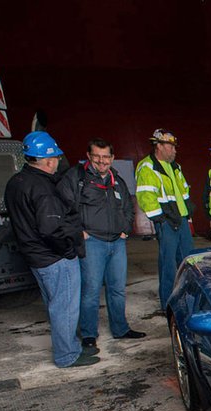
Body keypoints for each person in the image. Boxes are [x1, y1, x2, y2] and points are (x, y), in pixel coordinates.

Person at [4, 132, 98, 368]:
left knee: (56, 306)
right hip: (54, 258)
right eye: (55, 157)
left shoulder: (16, 182)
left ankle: (70, 348)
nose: (57, 161)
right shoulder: (43, 187)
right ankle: (67, 356)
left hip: (35, 257)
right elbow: (50, 229)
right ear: (47, 160)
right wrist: (68, 249)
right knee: (64, 308)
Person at [58, 137, 145, 351]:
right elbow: (63, 207)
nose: (101, 161)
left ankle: (121, 329)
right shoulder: (76, 177)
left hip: (116, 243)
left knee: (117, 289)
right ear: (88, 156)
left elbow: (128, 208)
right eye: (97, 156)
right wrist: (79, 232)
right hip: (92, 242)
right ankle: (88, 334)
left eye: (106, 157)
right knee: (91, 290)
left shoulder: (117, 179)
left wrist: (125, 229)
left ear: (112, 158)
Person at [136, 128, 194, 310]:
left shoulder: (175, 167)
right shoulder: (147, 167)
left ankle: (188, 299)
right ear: (158, 146)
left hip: (181, 220)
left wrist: (188, 213)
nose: (174, 150)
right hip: (167, 222)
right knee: (168, 265)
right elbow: (146, 197)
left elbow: (183, 191)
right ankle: (168, 304)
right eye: (171, 147)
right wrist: (161, 220)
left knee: (188, 262)